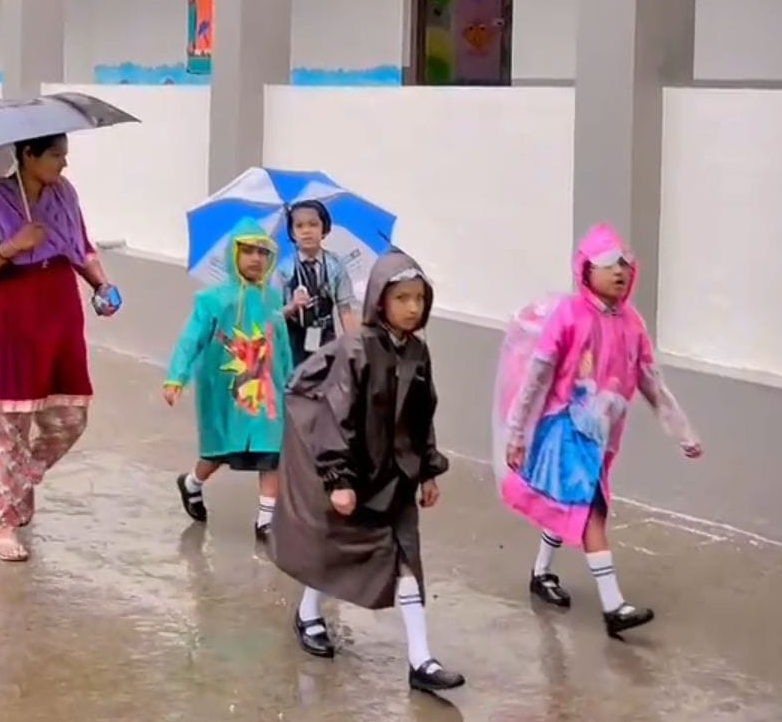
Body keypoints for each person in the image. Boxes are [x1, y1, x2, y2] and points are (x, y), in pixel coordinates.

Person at [270, 250, 465, 696]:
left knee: (406, 558)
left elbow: (422, 415)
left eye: (419, 298)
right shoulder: (357, 349)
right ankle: (308, 612)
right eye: (402, 298)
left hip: (397, 476)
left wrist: (429, 471)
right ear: (380, 299)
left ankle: (421, 660)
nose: (412, 308)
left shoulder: (418, 352)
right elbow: (336, 413)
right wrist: (338, 478)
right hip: (357, 474)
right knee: (338, 550)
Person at [496, 224, 702, 637]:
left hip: (601, 437)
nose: (619, 271)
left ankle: (540, 573)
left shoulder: (633, 324)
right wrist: (517, 434)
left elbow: (650, 381)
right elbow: (537, 377)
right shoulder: (569, 316)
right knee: (592, 509)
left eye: (624, 263)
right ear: (585, 270)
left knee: (570, 503)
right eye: (608, 264)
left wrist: (683, 432)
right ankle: (613, 606)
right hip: (566, 431)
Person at [0, 133, 120, 562]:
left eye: (64, 154)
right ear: (27, 155)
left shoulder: (64, 195)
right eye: (56, 155)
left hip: (59, 320)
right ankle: (3, 525)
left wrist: (102, 284)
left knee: (70, 418)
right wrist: (11, 247)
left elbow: (80, 247)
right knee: (6, 425)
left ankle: (18, 478)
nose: (64, 163)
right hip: (6, 324)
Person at [164, 219, 292, 542]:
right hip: (226, 391)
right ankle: (192, 482)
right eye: (247, 251)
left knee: (272, 451)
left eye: (262, 252)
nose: (256, 258)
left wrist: (292, 383)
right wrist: (176, 377)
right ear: (233, 254)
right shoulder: (213, 300)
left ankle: (265, 521)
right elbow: (191, 339)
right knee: (220, 451)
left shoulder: (273, 300)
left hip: (267, 390)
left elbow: (283, 346)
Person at [278, 199, 359, 369]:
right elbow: (273, 315)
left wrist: (354, 346)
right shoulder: (284, 268)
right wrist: (292, 306)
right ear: (292, 233)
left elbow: (345, 309)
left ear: (324, 229)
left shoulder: (335, 264)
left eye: (313, 224)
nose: (306, 231)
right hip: (293, 342)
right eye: (299, 226)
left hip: (326, 338)